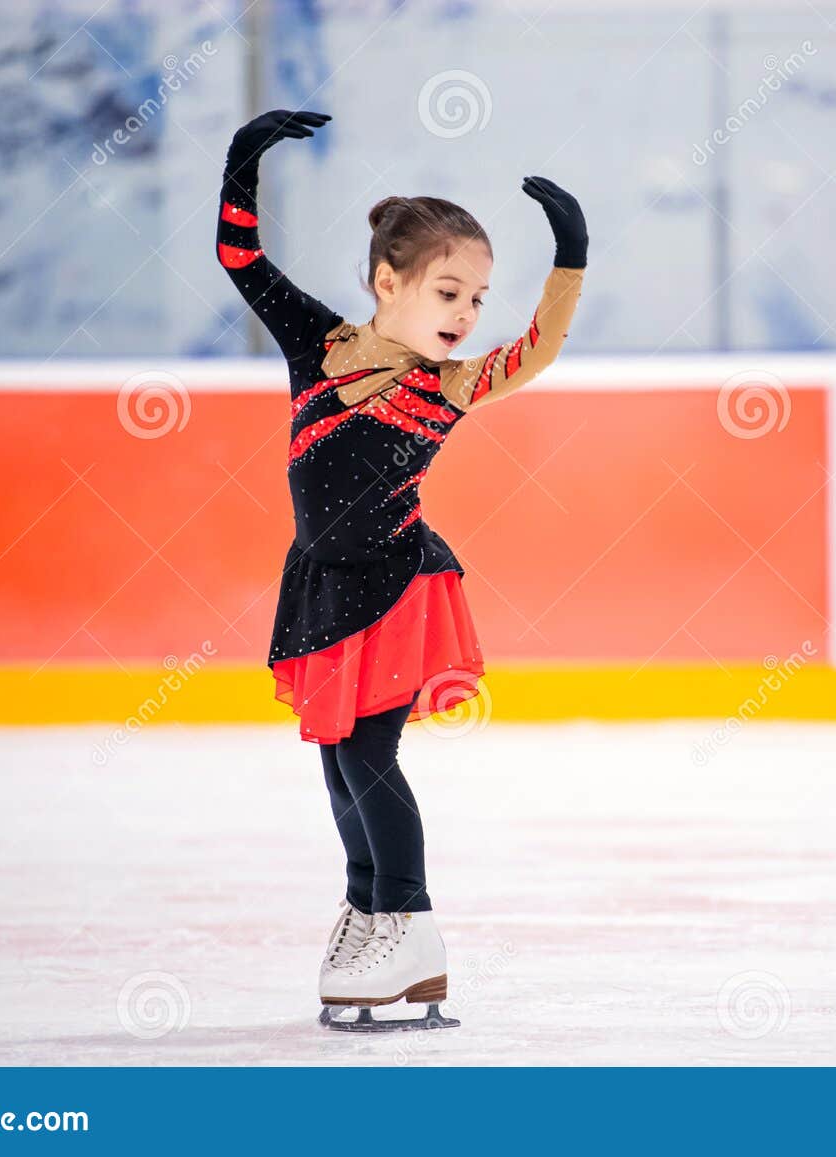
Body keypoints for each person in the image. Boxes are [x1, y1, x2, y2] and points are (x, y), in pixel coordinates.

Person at [216, 109, 587, 1029]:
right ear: (389, 282)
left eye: (478, 298)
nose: (467, 315)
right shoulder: (325, 347)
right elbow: (243, 264)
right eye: (449, 292)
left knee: (371, 752)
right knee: (338, 761)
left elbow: (536, 349)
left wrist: (569, 254)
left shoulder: (449, 383)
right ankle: (369, 908)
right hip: (323, 582)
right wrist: (241, 165)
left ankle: (410, 921)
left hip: (396, 581)